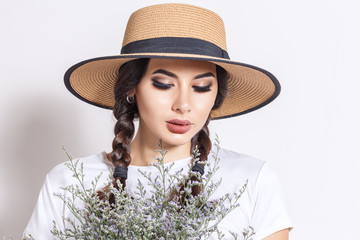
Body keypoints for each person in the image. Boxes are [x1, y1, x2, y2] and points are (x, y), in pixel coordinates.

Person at [24, 3, 292, 239]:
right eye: (163, 84)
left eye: (201, 87)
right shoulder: (67, 183)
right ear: (131, 87)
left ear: (216, 97)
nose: (183, 104)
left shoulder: (252, 180)